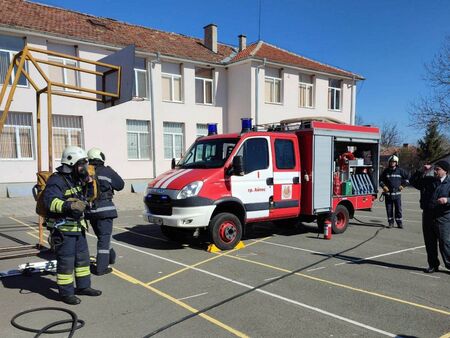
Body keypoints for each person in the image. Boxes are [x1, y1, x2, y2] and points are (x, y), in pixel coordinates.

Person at [43, 146, 101, 305]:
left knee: (83, 260)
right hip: (63, 230)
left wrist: (89, 184)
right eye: (81, 164)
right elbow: (50, 202)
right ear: (71, 162)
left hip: (78, 228)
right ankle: (66, 293)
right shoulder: (56, 180)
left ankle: (83, 287)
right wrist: (69, 206)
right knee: (66, 263)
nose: (84, 167)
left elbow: (87, 198)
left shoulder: (76, 179)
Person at [87, 147, 124, 275]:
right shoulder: (107, 171)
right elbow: (120, 185)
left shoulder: (86, 172)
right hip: (105, 209)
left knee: (102, 237)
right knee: (104, 238)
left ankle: (110, 256)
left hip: (90, 211)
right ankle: (101, 268)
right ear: (101, 157)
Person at [410, 160, 450, 273]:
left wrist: (447, 200)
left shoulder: (449, 182)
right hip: (428, 215)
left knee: (445, 242)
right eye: (435, 169)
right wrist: (421, 171)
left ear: (445, 171)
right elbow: (412, 181)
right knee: (430, 242)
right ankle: (433, 265)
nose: (435, 171)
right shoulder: (428, 181)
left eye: (438, 169)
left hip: (443, 217)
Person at [379, 155, 410, 228]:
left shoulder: (401, 171)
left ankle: (399, 223)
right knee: (389, 209)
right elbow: (380, 180)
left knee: (398, 209)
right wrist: (384, 186)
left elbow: (408, 178)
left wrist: (403, 185)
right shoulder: (386, 171)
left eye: (394, 162)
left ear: (396, 163)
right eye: (391, 162)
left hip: (397, 195)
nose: (392, 163)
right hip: (388, 195)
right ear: (389, 162)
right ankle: (391, 223)